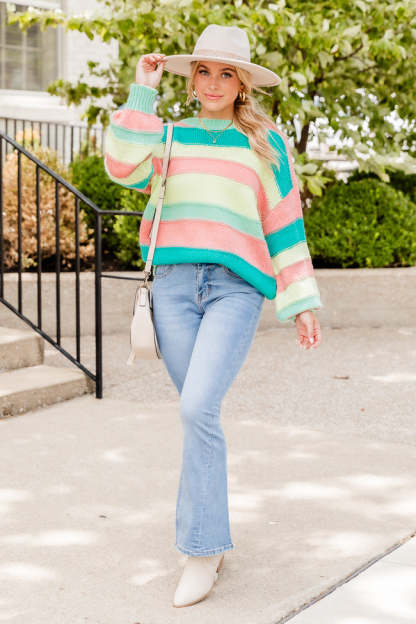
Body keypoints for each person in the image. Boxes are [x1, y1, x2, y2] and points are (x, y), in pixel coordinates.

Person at [104, 23, 323, 608]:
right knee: (198, 416)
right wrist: (143, 90)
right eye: (205, 71)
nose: (214, 82)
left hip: (235, 289)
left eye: (227, 73)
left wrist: (300, 301)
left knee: (196, 407)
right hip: (173, 288)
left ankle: (201, 551)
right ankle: (212, 540)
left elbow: (284, 224)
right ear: (193, 78)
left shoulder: (265, 145)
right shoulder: (169, 136)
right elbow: (120, 166)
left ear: (242, 84)